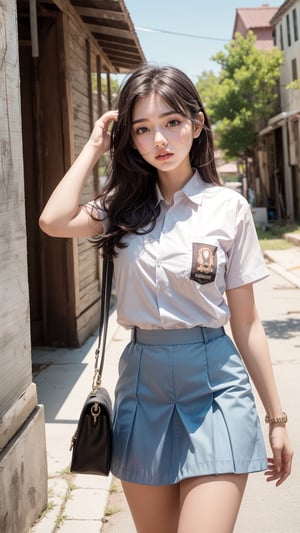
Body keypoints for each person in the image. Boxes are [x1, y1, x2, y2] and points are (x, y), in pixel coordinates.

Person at [39, 64, 293, 533]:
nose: (160, 138)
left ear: (196, 125)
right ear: (130, 139)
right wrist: (94, 146)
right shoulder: (121, 207)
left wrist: (276, 417)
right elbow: (53, 220)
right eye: (142, 128)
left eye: (172, 122)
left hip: (216, 385)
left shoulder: (228, 208)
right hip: (143, 385)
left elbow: (248, 323)